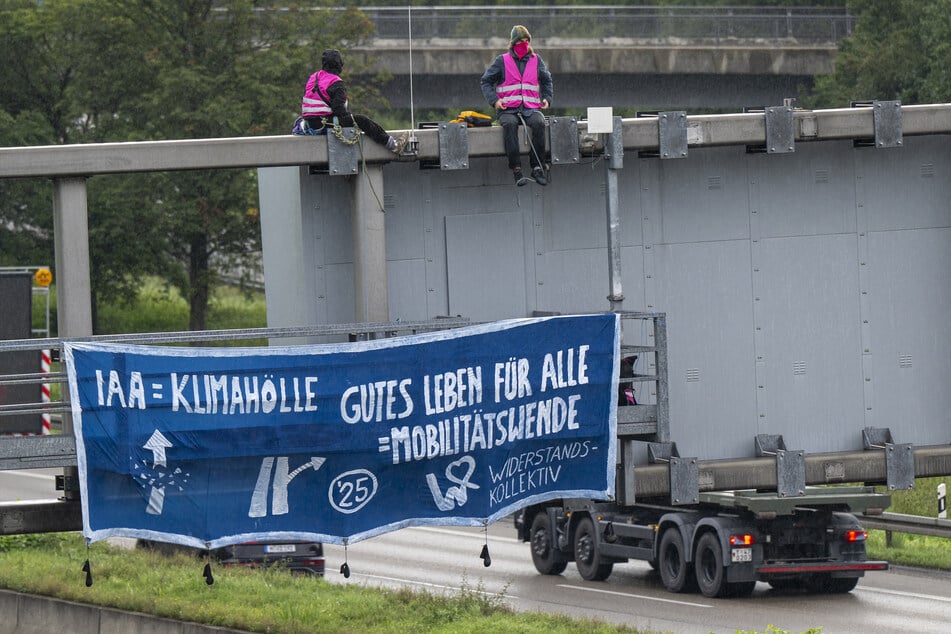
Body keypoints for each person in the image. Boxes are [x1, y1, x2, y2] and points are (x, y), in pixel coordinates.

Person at [480, 25, 554, 187]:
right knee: (510, 125)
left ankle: (537, 167)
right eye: (521, 41)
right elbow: (486, 81)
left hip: (530, 108)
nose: (524, 44)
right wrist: (495, 101)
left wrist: (547, 98)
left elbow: (546, 80)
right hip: (508, 109)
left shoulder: (536, 60)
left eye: (527, 41)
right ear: (513, 43)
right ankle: (517, 169)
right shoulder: (502, 61)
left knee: (539, 123)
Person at [297, 49, 409, 155]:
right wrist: (351, 120)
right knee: (362, 120)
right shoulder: (336, 82)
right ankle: (394, 145)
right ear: (339, 65)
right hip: (324, 125)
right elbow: (339, 111)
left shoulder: (313, 77)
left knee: (348, 119)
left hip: (309, 124)